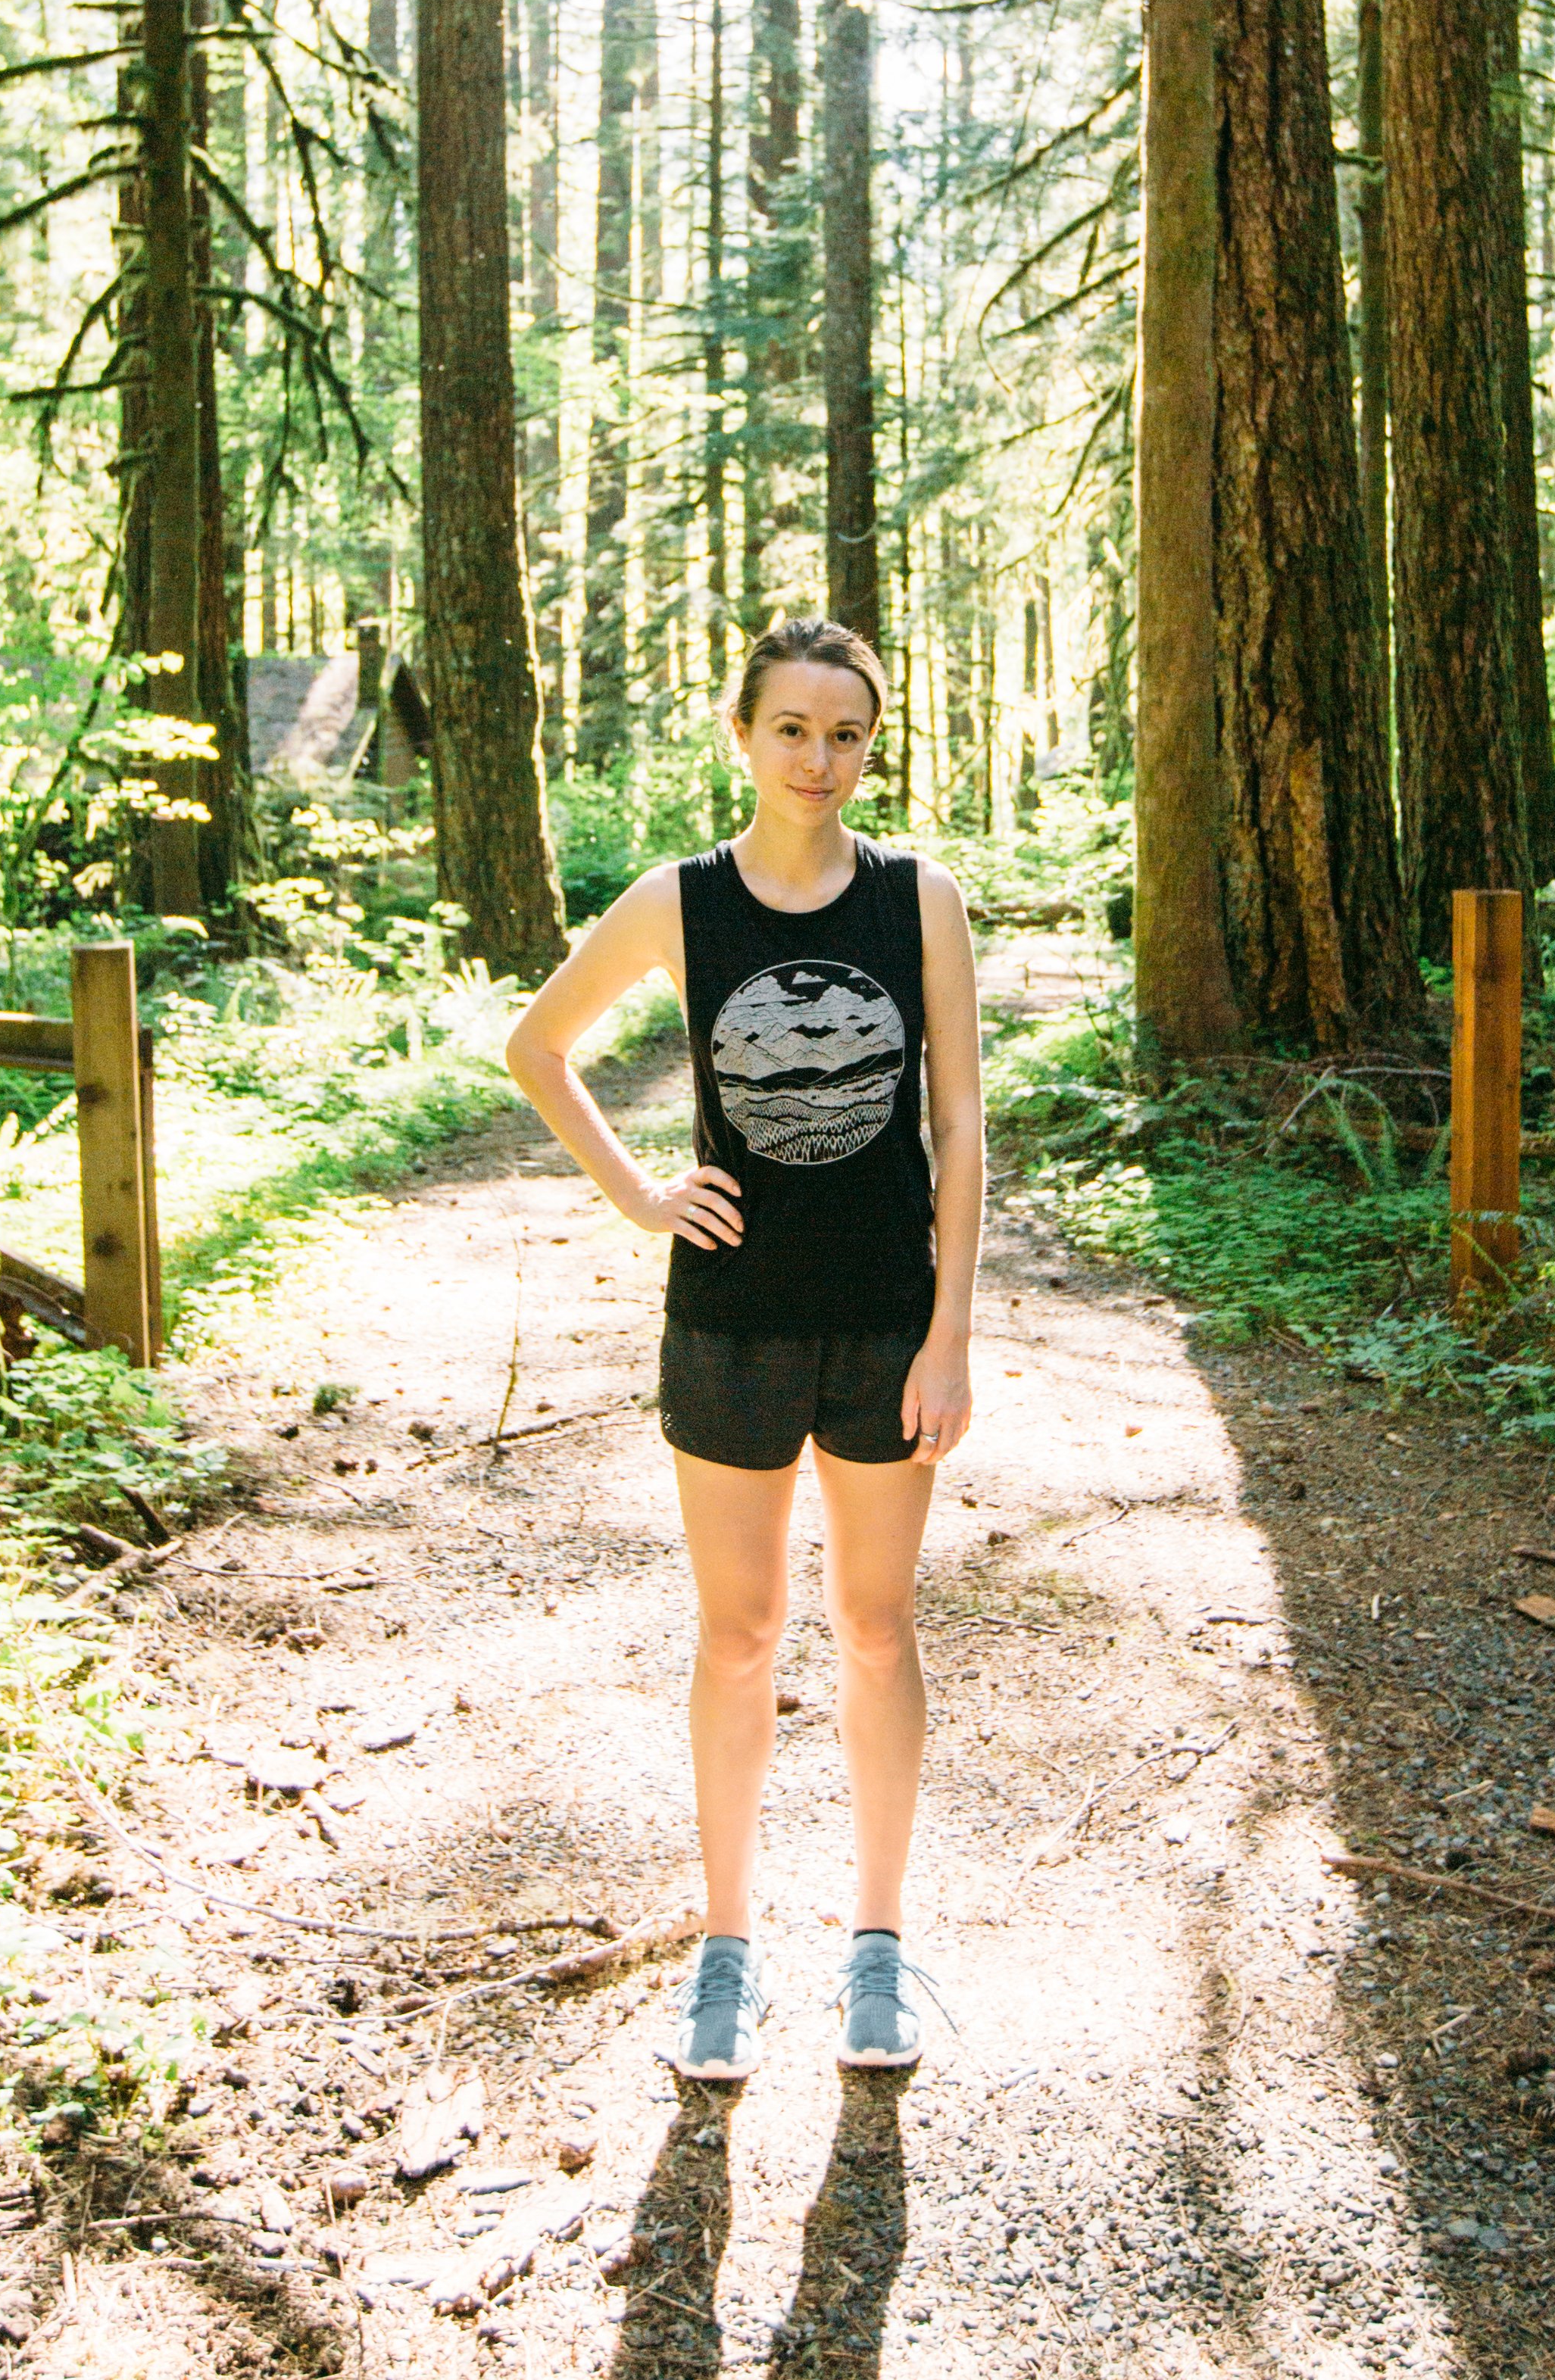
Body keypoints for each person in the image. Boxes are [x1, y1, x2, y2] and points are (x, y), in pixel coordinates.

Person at [504, 613, 982, 2079]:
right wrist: (644, 1193)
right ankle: (725, 1949)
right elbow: (539, 1046)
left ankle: (880, 1948)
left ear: (870, 742)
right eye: (792, 729)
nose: (820, 758)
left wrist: (951, 1329)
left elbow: (958, 1127)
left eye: (846, 732)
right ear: (744, 735)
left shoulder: (919, 901)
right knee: (740, 1633)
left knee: (881, 1627)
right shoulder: (680, 904)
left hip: (886, 1318)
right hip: (729, 1320)